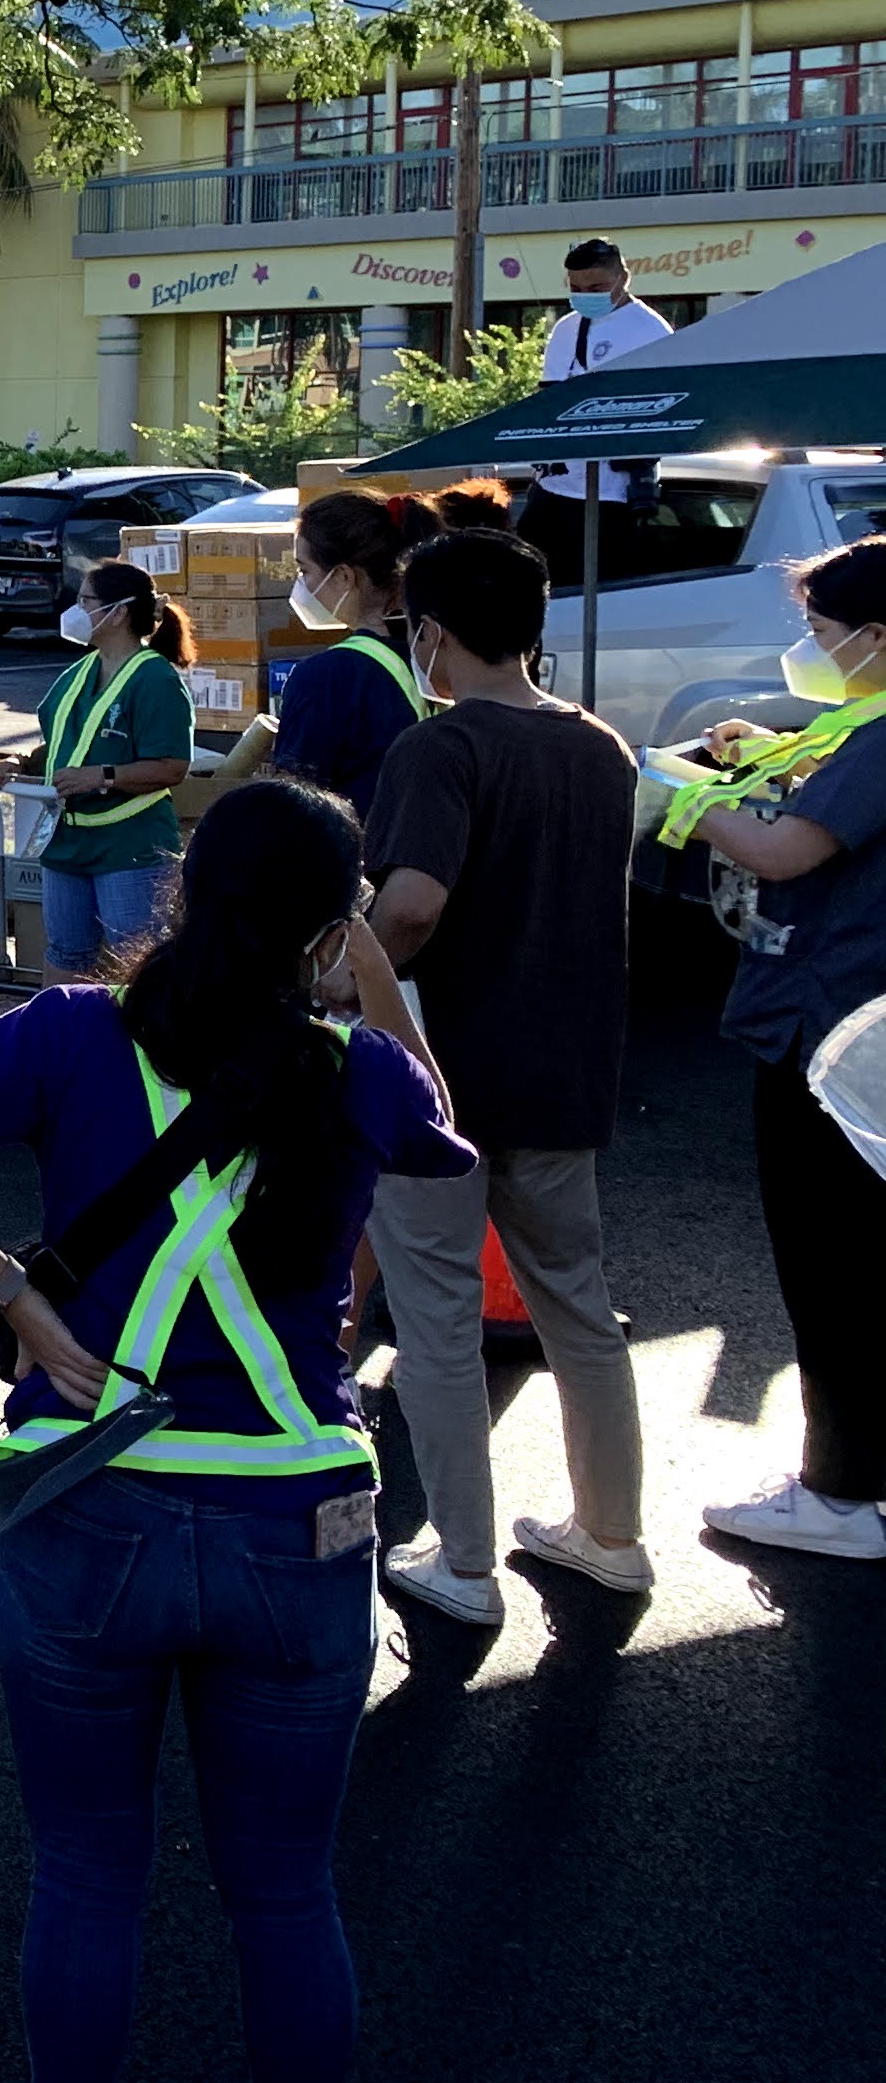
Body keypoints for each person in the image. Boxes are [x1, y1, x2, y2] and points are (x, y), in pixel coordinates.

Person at [0, 778, 469, 2083]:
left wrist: (15, 1296)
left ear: (188, 890)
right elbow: (437, 1118)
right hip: (301, 1517)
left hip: (94, 1508)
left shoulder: (76, 1036)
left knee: (85, 1866)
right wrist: (359, 950)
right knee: (288, 1889)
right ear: (327, 926)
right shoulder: (355, 1068)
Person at [346, 528, 653, 1616]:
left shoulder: (441, 749)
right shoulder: (602, 747)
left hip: (443, 1079)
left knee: (434, 1321)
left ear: (428, 631)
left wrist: (350, 968)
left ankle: (463, 1566)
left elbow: (415, 904)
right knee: (578, 1307)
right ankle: (611, 1535)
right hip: (567, 1068)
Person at [674, 533, 886, 1559]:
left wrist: (678, 802)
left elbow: (788, 848)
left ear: (877, 637)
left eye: (822, 630)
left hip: (830, 1031)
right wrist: (764, 754)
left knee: (831, 1264)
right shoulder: (863, 726)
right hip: (855, 1026)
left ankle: (838, 1492)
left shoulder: (882, 739)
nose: (811, 646)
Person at [24, 558, 197, 983]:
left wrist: (102, 777)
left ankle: (138, 1047)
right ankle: (64, 1043)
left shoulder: (155, 679)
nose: (74, 610)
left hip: (128, 844)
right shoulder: (79, 672)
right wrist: (18, 764)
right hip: (66, 841)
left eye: (85, 601)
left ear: (118, 612)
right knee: (66, 952)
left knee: (135, 960)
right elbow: (65, 741)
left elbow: (173, 766)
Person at [267, 488, 440, 813]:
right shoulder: (440, 654)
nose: (300, 585)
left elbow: (293, 805)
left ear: (344, 576)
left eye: (304, 571)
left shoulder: (326, 676)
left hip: (355, 855)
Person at [516, 239, 674, 582]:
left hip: (611, 494)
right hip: (554, 487)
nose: (586, 295)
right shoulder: (566, 328)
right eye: (576, 288)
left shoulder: (650, 330)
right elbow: (550, 399)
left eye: (597, 287)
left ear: (623, 278)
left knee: (600, 590)